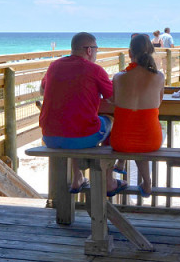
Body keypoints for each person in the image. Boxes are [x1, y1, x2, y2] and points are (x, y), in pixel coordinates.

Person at [38, 32, 127, 196]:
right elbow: (115, 99)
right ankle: (109, 180)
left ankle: (78, 177)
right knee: (110, 121)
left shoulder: (54, 66)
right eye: (96, 49)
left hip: (49, 137)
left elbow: (42, 90)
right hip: (81, 138)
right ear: (89, 50)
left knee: (73, 123)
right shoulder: (95, 70)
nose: (96, 53)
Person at [110, 34, 165, 197]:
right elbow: (158, 103)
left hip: (120, 142)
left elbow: (114, 100)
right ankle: (147, 183)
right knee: (148, 131)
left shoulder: (119, 77)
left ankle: (120, 163)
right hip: (151, 141)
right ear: (151, 52)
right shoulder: (159, 77)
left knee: (129, 130)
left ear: (129, 53)